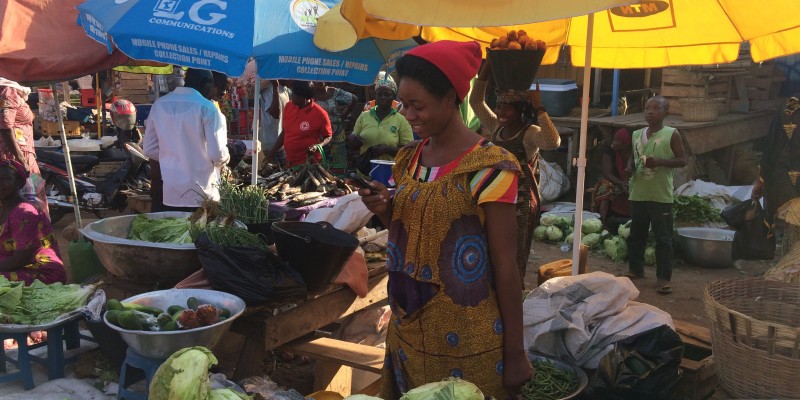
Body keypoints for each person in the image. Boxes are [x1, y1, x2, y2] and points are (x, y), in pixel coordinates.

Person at [357, 40, 531, 399]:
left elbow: (506, 266)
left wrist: (515, 353)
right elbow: (413, 234)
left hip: (467, 342)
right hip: (407, 329)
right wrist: (385, 208)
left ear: (451, 97)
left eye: (417, 105)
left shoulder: (489, 168)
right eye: (405, 105)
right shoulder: (409, 159)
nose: (408, 114)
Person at [470, 61, 561, 281]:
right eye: (499, 106)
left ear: (520, 111)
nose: (500, 112)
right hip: (494, 196)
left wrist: (540, 108)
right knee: (490, 246)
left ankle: (514, 289)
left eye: (506, 108)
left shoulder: (530, 133)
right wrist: (488, 67)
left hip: (520, 202)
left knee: (514, 253)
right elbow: (476, 102)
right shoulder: (495, 127)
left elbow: (553, 142)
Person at [143, 69, 229, 212]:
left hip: (171, 192)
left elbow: (149, 149)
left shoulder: (159, 105)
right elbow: (217, 155)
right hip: (202, 193)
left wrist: (173, 156)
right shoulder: (207, 108)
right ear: (206, 84)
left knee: (175, 232)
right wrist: (226, 156)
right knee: (200, 233)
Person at [624, 96, 686, 295]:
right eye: (647, 108)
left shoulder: (672, 134)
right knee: (636, 235)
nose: (650, 111)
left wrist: (659, 161)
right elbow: (633, 156)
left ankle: (663, 278)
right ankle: (635, 269)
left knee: (663, 238)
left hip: (660, 195)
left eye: (656, 108)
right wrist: (630, 166)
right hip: (638, 192)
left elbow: (682, 160)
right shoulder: (636, 134)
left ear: (665, 113)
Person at [0, 159, 65, 285]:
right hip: (11, 263)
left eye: (6, 178)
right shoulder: (3, 207)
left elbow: (19, 260)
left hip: (40, 273)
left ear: (19, 182)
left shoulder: (24, 213)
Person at [0, 78, 48, 220]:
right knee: (26, 204)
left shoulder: (10, 90)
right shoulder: (8, 90)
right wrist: (21, 158)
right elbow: (5, 125)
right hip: (13, 156)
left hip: (16, 153)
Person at [347, 74, 413, 171]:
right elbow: (354, 138)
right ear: (375, 95)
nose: (383, 97)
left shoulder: (401, 120)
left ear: (393, 96)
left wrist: (387, 149)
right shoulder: (364, 116)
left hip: (390, 172)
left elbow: (408, 150)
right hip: (365, 171)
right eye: (379, 94)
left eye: (387, 94)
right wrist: (352, 139)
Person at [752, 96, 800, 224]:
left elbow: (771, 148)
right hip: (789, 189)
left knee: (793, 234)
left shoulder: (789, 107)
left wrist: (761, 181)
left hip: (787, 191)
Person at [268, 81, 333, 168]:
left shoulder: (320, 113)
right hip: (290, 162)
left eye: (294, 95)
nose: (292, 96)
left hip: (309, 165)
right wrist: (271, 154)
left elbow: (328, 136)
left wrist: (318, 146)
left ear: (304, 98)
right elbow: (285, 132)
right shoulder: (289, 106)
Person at [593, 128, 633, 227]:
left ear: (625, 144)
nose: (613, 142)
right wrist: (621, 183)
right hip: (614, 181)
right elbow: (607, 173)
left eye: (616, 141)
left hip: (630, 180)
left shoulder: (634, 152)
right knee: (605, 187)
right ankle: (601, 221)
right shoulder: (609, 151)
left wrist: (627, 182)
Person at [313, 82, 356, 172]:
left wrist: (344, 116)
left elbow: (354, 99)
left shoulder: (335, 92)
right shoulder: (311, 94)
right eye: (315, 80)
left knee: (339, 163)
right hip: (320, 134)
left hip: (337, 131)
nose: (318, 83)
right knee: (321, 164)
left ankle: (340, 182)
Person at [259, 79, 290, 166]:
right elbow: (276, 114)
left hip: (282, 144)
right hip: (272, 145)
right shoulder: (270, 90)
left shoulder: (285, 91)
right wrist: (275, 87)